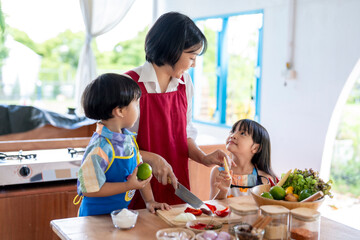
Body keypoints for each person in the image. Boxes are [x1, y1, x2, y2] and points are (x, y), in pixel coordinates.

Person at [125, 12, 229, 208]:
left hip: (176, 186)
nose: (195, 64)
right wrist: (153, 158)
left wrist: (204, 158)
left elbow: (184, 136)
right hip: (136, 188)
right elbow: (118, 146)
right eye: (192, 56)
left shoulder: (184, 83)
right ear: (172, 50)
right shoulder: (129, 84)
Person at [76, 73, 170, 216]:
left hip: (118, 216)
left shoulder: (128, 140)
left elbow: (139, 174)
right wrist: (127, 186)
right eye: (136, 104)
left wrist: (150, 201)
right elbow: (89, 189)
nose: (139, 109)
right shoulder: (100, 148)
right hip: (93, 219)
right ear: (119, 111)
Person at [209, 119, 277, 200]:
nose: (233, 135)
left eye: (242, 133)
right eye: (232, 131)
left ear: (255, 148)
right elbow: (212, 209)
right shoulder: (219, 173)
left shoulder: (264, 179)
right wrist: (223, 191)